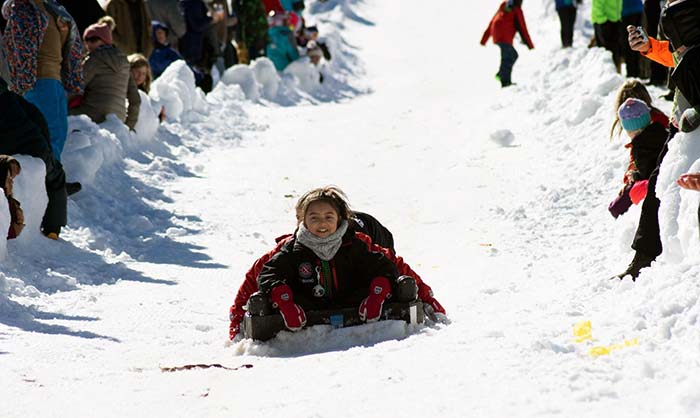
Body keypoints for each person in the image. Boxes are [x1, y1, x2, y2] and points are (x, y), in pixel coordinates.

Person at [228, 188, 446, 339]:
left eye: (328, 217)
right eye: (313, 218)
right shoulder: (292, 247)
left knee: (391, 278)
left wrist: (426, 297)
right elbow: (258, 276)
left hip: (356, 279)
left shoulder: (358, 241)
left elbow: (393, 264)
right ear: (303, 221)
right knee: (266, 293)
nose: (321, 224)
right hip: (314, 297)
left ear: (340, 220)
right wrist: (238, 319)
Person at [2, 0, 84, 161]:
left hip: (56, 79)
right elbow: (20, 48)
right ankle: (48, 180)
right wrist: (23, 81)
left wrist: (64, 29)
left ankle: (55, 177)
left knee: (59, 131)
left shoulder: (53, 10)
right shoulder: (22, 8)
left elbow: (65, 46)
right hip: (39, 80)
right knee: (48, 132)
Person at [0, 76, 68, 240]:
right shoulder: (10, 97)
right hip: (34, 145)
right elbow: (37, 117)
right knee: (57, 176)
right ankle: (53, 228)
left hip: (5, 147)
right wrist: (46, 147)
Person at [68, 19, 141, 131]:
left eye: (93, 39)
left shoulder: (95, 58)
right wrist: (128, 127)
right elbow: (135, 99)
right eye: (86, 40)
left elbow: (76, 86)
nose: (88, 44)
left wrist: (58, 104)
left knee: (58, 118)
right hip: (118, 118)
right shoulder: (124, 62)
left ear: (105, 40)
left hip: (92, 113)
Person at [608, 98, 668, 218]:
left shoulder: (640, 147)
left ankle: (620, 215)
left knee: (615, 207)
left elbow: (647, 173)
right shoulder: (661, 130)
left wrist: (634, 176)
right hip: (665, 173)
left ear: (629, 129)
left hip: (655, 184)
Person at [480, 0, 535, 88]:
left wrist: (484, 38)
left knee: (511, 55)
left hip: (497, 33)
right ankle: (505, 81)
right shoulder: (517, 10)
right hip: (504, 36)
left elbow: (493, 20)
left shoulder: (504, 4)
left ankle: (502, 75)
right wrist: (530, 45)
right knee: (509, 56)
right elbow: (522, 28)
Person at [128, 52, 166, 122]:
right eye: (137, 71)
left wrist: (158, 114)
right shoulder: (122, 89)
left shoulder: (143, 93)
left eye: (143, 73)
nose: (140, 76)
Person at [591, 0, 624, 73]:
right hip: (603, 21)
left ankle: (615, 76)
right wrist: (602, 19)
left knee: (615, 51)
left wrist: (618, 17)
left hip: (615, 20)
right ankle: (606, 76)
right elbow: (597, 3)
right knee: (606, 52)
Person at [0, 155, 24, 239]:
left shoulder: (8, 200)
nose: (12, 183)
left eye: (12, 179)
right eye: (8, 179)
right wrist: (13, 230)